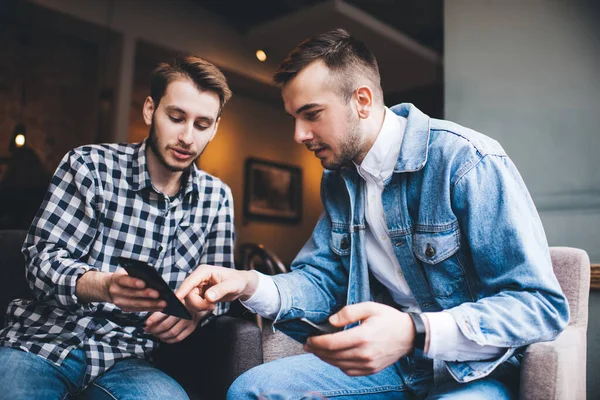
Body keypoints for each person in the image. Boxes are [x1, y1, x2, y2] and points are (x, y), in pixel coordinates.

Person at [177, 29, 569, 399]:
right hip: (399, 366)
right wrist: (248, 283)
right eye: (294, 117)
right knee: (251, 390)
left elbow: (540, 305)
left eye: (311, 114)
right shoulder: (338, 182)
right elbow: (323, 280)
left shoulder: (466, 160)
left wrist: (414, 330)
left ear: (362, 101)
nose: (298, 134)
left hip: (478, 369)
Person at [0, 55, 234, 399]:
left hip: (128, 357)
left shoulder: (217, 198)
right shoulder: (89, 165)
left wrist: (198, 313)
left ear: (214, 128)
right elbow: (41, 263)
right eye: (176, 117)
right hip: (43, 339)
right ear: (150, 110)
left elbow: (221, 292)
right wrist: (104, 286)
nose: (187, 137)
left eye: (202, 125)